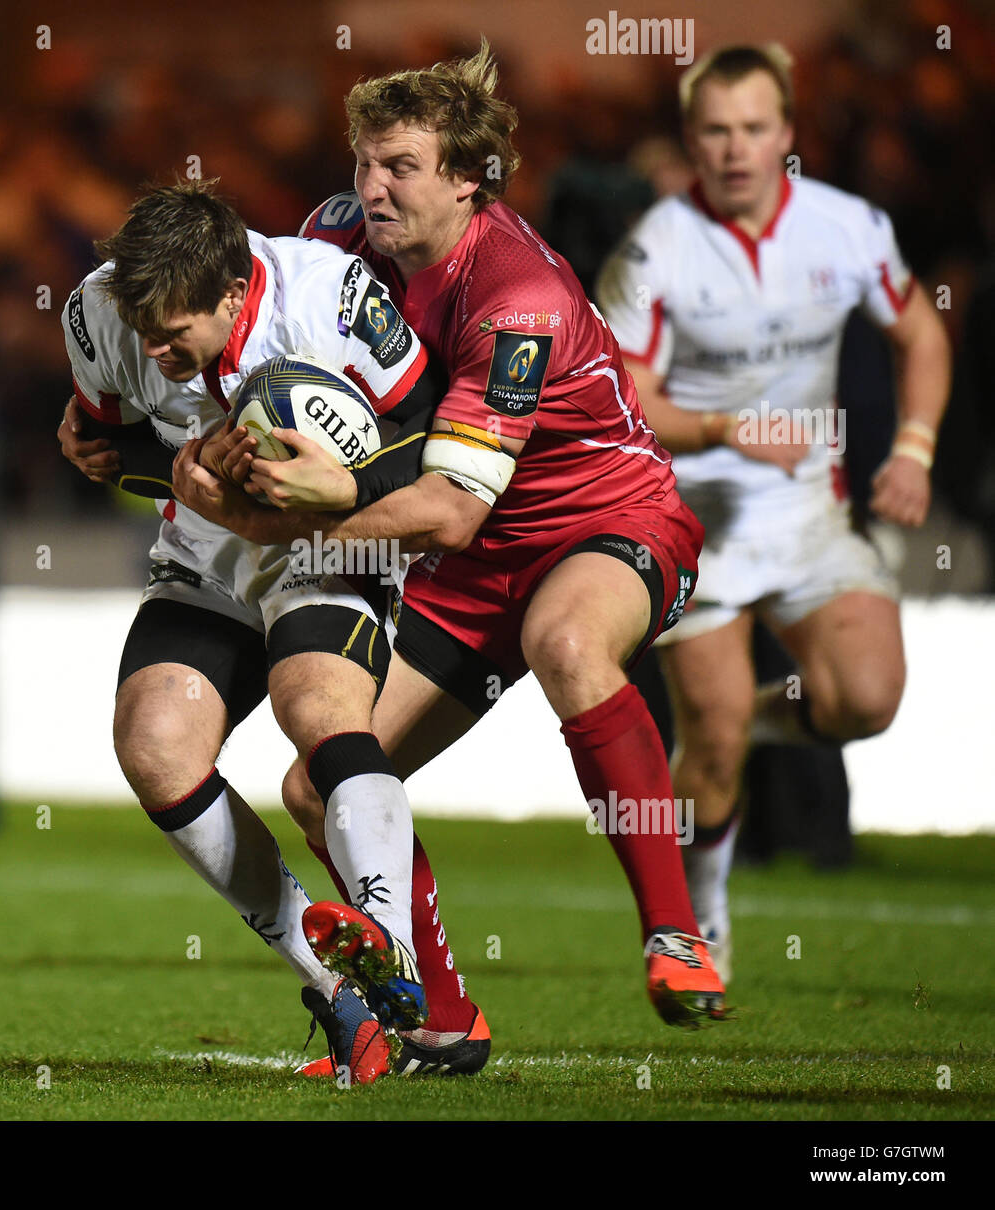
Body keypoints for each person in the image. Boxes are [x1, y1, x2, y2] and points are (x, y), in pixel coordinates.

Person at [172, 41, 729, 1048]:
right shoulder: (336, 241)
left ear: (468, 181)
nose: (370, 188)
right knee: (319, 784)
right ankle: (441, 1018)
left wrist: (306, 508)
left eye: (400, 167)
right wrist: (152, 441)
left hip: (602, 519)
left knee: (566, 642)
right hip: (467, 562)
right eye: (363, 162)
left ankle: (675, 931)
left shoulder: (519, 298)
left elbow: (450, 510)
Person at [57, 180, 453, 1083]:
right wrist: (181, 475)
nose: (156, 351)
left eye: (174, 334)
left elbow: (429, 435)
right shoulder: (99, 311)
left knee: (315, 708)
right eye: (143, 328)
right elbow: (98, 440)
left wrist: (329, 485)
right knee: (154, 746)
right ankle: (338, 989)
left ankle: (385, 938)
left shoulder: (330, 299)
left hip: (323, 542)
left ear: (235, 294)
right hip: (204, 553)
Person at [594, 44, 951, 980]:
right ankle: (697, 926)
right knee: (704, 749)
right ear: (692, 139)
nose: (736, 148)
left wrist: (913, 449)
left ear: (786, 134)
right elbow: (619, 395)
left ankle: (752, 720)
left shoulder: (847, 227)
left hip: (810, 517)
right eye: (716, 130)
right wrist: (721, 425)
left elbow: (921, 332)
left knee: (867, 701)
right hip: (691, 520)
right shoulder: (654, 249)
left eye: (755, 127)